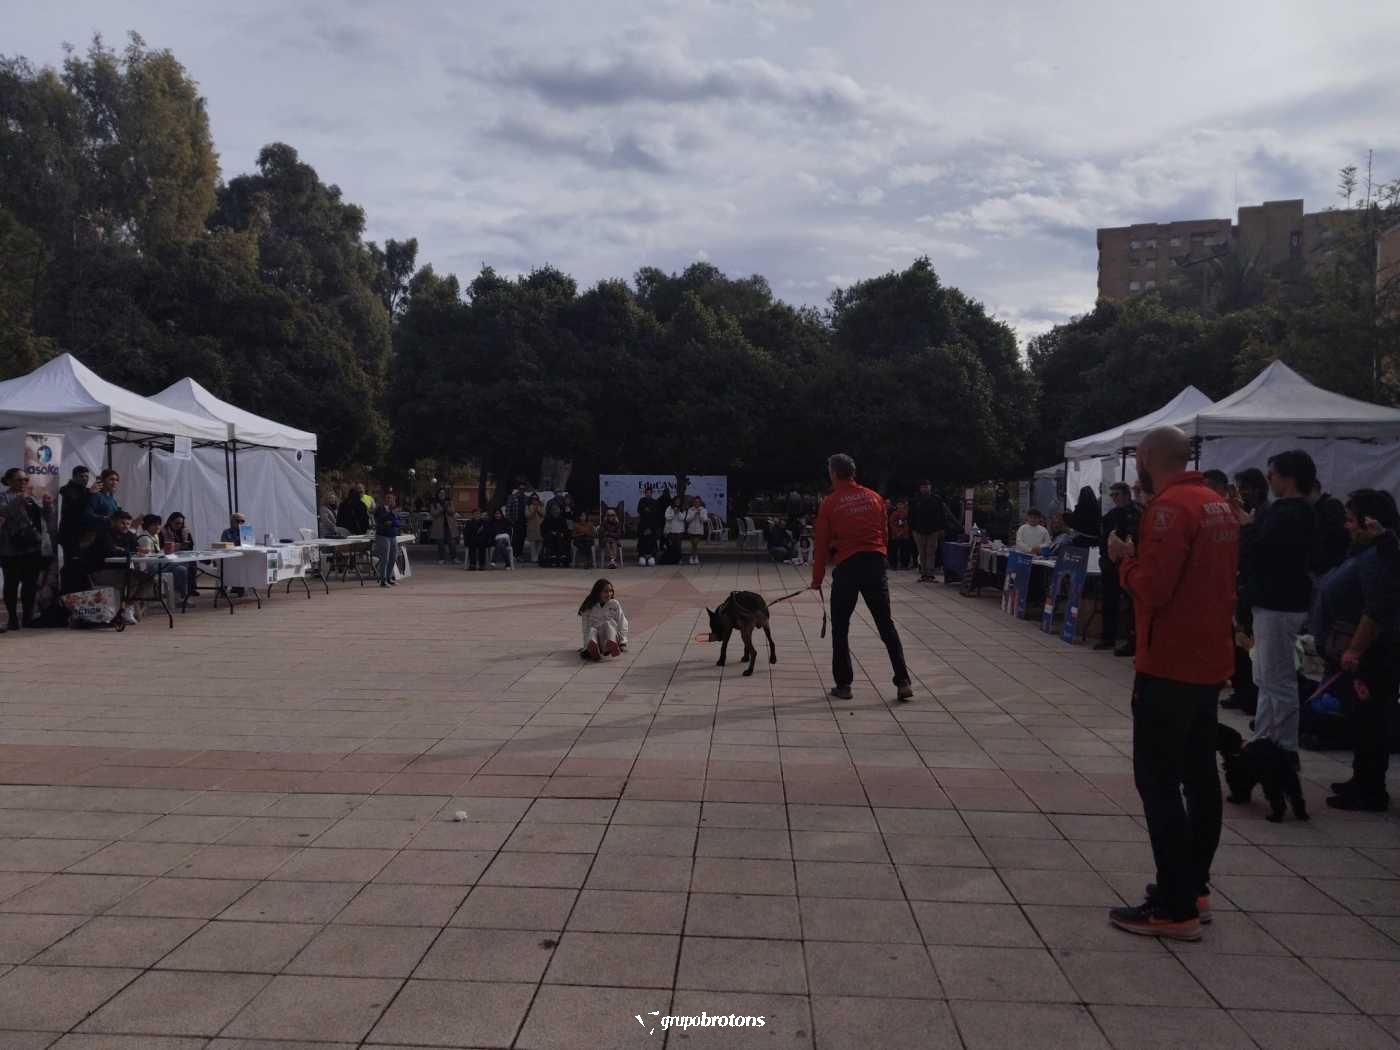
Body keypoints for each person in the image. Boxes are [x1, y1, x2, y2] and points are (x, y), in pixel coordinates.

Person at [1106, 426, 1237, 942]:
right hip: (1208, 660)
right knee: (1200, 777)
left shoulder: (1167, 509)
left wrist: (1124, 561)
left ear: (1145, 457)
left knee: (1158, 781)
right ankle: (1194, 885)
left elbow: (1154, 588)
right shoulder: (1217, 504)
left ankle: (1174, 905)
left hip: (1169, 662)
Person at [1312, 490, 1400, 811]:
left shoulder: (1379, 558)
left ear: (1369, 521)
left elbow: (1375, 610)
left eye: (1351, 520)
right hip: (1361, 650)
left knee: (1371, 722)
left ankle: (1370, 789)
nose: (1346, 526)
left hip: (1374, 654)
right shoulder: (1367, 552)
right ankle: (1361, 779)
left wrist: (1355, 649)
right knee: (1361, 720)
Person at [811, 453, 913, 702]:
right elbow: (884, 533)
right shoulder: (874, 497)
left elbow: (821, 543)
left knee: (840, 627)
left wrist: (817, 578)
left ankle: (844, 685)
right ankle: (903, 681)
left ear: (834, 473)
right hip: (875, 563)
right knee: (885, 624)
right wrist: (881, 556)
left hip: (848, 565)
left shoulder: (830, 503)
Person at [1238, 450, 1317, 761]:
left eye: (1271, 474)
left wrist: (1248, 528)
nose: (1268, 479)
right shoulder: (1289, 512)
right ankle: (1264, 738)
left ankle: (1283, 748)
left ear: (1288, 477)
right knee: (1265, 677)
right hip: (1273, 602)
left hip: (1279, 604)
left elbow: (1263, 554)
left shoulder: (1291, 514)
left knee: (1278, 679)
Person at [0, 469, 56, 631]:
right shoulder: (3, 497)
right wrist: (20, 499)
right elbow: (4, 512)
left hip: (32, 548)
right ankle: (12, 619)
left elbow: (47, 518)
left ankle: (27, 617)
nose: (24, 483)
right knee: (11, 584)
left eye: (26, 480)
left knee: (30, 585)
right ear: (8, 481)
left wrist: (48, 504)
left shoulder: (32, 496)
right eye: (20, 480)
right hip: (10, 549)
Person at [1097, 482, 1142, 655]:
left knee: (1132, 605)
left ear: (1126, 495)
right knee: (1109, 601)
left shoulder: (1137, 513)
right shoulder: (1111, 515)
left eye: (1116, 494)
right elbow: (1103, 539)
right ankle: (1107, 637)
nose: (1114, 498)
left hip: (1130, 564)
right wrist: (1105, 559)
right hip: (1111, 565)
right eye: (1112, 495)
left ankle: (1132, 640)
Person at [578, 578, 628, 660]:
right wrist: (586, 646)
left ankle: (612, 645)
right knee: (592, 630)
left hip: (613, 636)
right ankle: (593, 650)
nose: (609, 594)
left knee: (608, 624)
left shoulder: (614, 604)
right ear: (598, 593)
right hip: (599, 639)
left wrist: (623, 642)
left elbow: (622, 622)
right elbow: (585, 628)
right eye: (605, 591)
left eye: (611, 591)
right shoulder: (588, 607)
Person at [1308, 479, 1350, 575]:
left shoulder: (1330, 506)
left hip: (1334, 567)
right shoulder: (1315, 511)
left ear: (1313, 489)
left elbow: (1341, 538)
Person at [910, 480, 947, 582]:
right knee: (922, 553)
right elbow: (911, 515)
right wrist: (912, 528)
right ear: (920, 488)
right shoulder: (915, 500)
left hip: (933, 529)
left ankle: (930, 574)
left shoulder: (937, 499)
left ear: (930, 487)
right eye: (923, 487)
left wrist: (942, 528)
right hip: (918, 529)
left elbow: (942, 514)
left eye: (927, 486)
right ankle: (923, 574)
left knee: (931, 552)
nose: (925, 488)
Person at [57, 466, 92, 564]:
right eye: (82, 476)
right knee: (71, 564)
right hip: (70, 535)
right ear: (74, 477)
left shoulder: (86, 491)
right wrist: (89, 493)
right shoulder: (67, 490)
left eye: (86, 476)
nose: (85, 479)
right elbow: (75, 506)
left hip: (84, 535)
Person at [160, 512, 196, 599]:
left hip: (182, 554)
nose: (179, 525)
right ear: (170, 522)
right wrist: (178, 546)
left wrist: (184, 542)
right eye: (177, 523)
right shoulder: (163, 531)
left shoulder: (185, 531)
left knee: (191, 563)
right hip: (169, 557)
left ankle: (190, 589)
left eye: (181, 523)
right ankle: (183, 593)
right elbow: (161, 547)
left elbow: (191, 545)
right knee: (185, 565)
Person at [373, 493, 401, 587]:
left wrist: (391, 522)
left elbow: (398, 522)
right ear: (384, 499)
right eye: (388, 498)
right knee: (385, 558)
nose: (390, 500)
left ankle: (389, 577)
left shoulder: (394, 510)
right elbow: (380, 520)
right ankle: (383, 580)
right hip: (383, 536)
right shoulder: (380, 509)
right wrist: (390, 514)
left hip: (393, 536)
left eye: (392, 498)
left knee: (393, 557)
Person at [428, 487, 458, 565]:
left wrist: (446, 507)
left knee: (452, 542)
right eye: (440, 493)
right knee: (440, 543)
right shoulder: (434, 503)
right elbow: (433, 513)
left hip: (449, 525)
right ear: (438, 494)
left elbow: (452, 511)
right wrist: (441, 509)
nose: (442, 494)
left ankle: (454, 558)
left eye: (443, 493)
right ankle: (441, 558)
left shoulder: (449, 502)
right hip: (439, 526)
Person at [636, 483, 662, 567]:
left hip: (652, 526)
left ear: (651, 493)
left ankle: (652, 556)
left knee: (652, 541)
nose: (648, 494)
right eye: (647, 493)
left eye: (649, 493)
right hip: (643, 525)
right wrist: (645, 510)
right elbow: (639, 510)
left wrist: (651, 528)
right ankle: (642, 556)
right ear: (645, 493)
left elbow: (656, 514)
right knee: (642, 541)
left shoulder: (655, 502)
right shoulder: (641, 501)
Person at [887, 498, 913, 570]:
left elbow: (908, 524)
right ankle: (893, 565)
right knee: (893, 551)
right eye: (899, 504)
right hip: (895, 535)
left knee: (905, 551)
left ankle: (904, 565)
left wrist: (902, 532)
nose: (900, 506)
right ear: (896, 505)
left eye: (901, 504)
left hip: (905, 535)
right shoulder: (894, 514)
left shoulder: (906, 514)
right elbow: (891, 523)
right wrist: (896, 532)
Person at [684, 496, 707, 565]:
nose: (697, 503)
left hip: (699, 529)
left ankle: (694, 556)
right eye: (695, 502)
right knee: (693, 544)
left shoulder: (703, 510)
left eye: (698, 502)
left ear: (700, 503)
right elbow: (687, 519)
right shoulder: (690, 510)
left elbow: (704, 520)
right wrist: (694, 513)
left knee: (695, 543)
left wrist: (700, 514)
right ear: (693, 503)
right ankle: (693, 557)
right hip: (691, 529)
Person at [664, 496, 686, 563]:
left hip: (680, 530)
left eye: (679, 501)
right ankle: (673, 559)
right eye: (676, 500)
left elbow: (682, 518)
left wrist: (678, 512)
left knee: (678, 546)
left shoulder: (682, 508)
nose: (677, 502)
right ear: (674, 501)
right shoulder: (669, 508)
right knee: (672, 546)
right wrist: (673, 512)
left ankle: (679, 559)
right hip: (671, 530)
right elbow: (667, 517)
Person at [524, 498, 545, 564]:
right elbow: (527, 516)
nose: (535, 502)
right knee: (532, 544)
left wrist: (538, 511)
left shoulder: (541, 506)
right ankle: (533, 559)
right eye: (533, 500)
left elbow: (544, 514)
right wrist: (533, 511)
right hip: (532, 527)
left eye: (536, 500)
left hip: (540, 527)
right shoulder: (528, 507)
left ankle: (538, 558)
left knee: (540, 543)